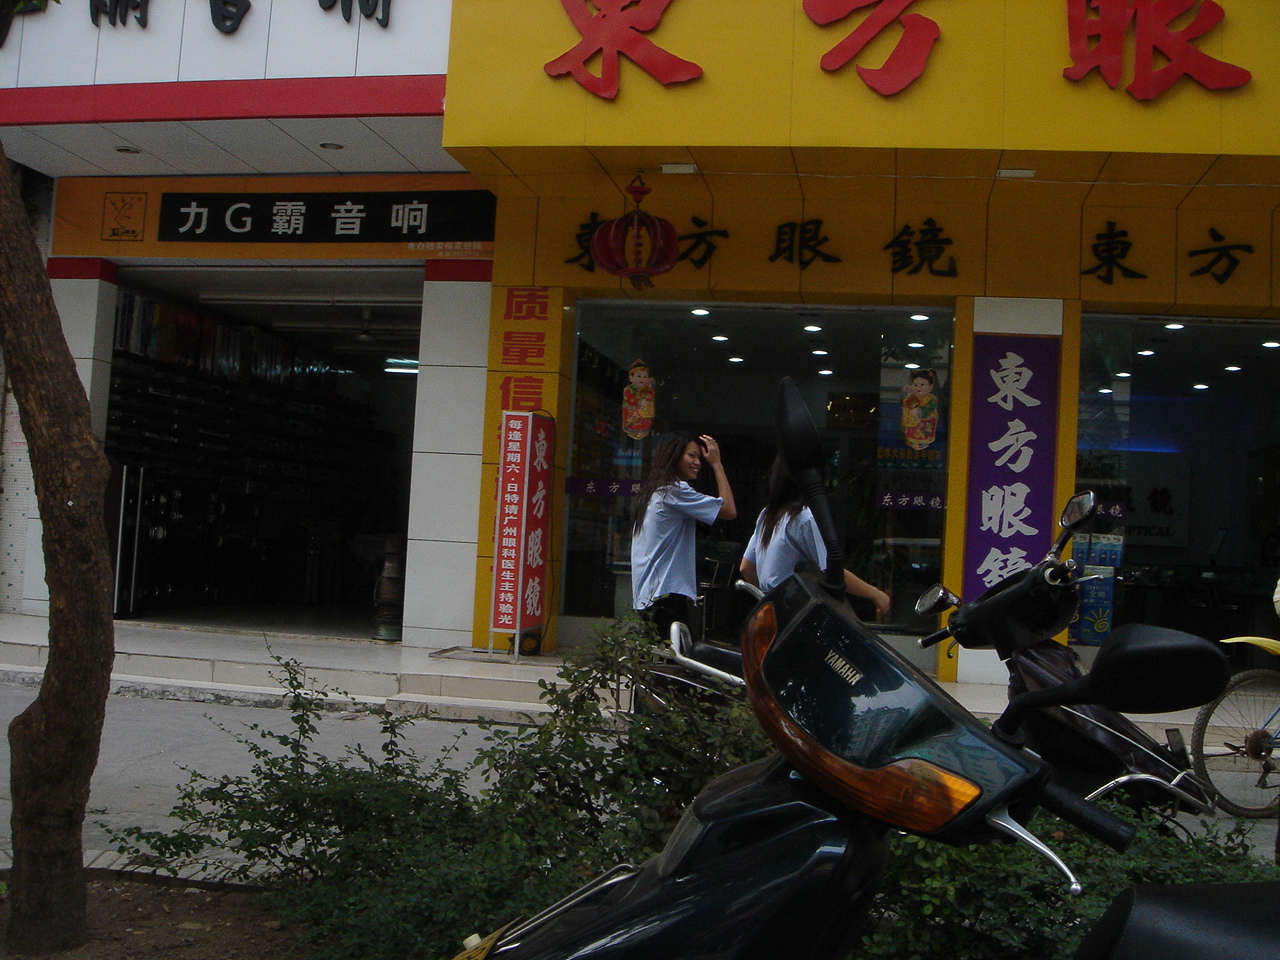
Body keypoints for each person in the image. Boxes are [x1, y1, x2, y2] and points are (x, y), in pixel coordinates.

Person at [739, 456, 890, 619]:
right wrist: (875, 593)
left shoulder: (767, 514)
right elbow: (831, 570)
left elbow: (746, 568)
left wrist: (770, 600)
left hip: (771, 613)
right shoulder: (804, 518)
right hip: (794, 611)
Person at [631, 431, 737, 639]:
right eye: (692, 455)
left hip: (650, 594)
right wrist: (717, 464)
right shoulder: (674, 491)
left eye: (699, 457)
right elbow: (729, 510)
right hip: (666, 593)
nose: (698, 462)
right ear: (674, 456)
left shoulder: (654, 491)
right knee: (675, 655)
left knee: (660, 654)